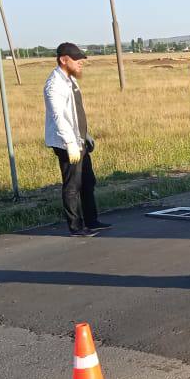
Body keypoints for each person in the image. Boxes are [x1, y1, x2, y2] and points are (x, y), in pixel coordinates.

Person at [43, 42, 111, 237]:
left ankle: (92, 221)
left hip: (79, 140)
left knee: (88, 181)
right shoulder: (54, 85)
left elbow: (75, 113)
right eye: (77, 60)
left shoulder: (70, 80)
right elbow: (59, 117)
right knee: (73, 185)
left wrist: (85, 135)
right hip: (67, 144)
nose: (81, 63)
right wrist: (71, 143)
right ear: (64, 60)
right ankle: (76, 226)